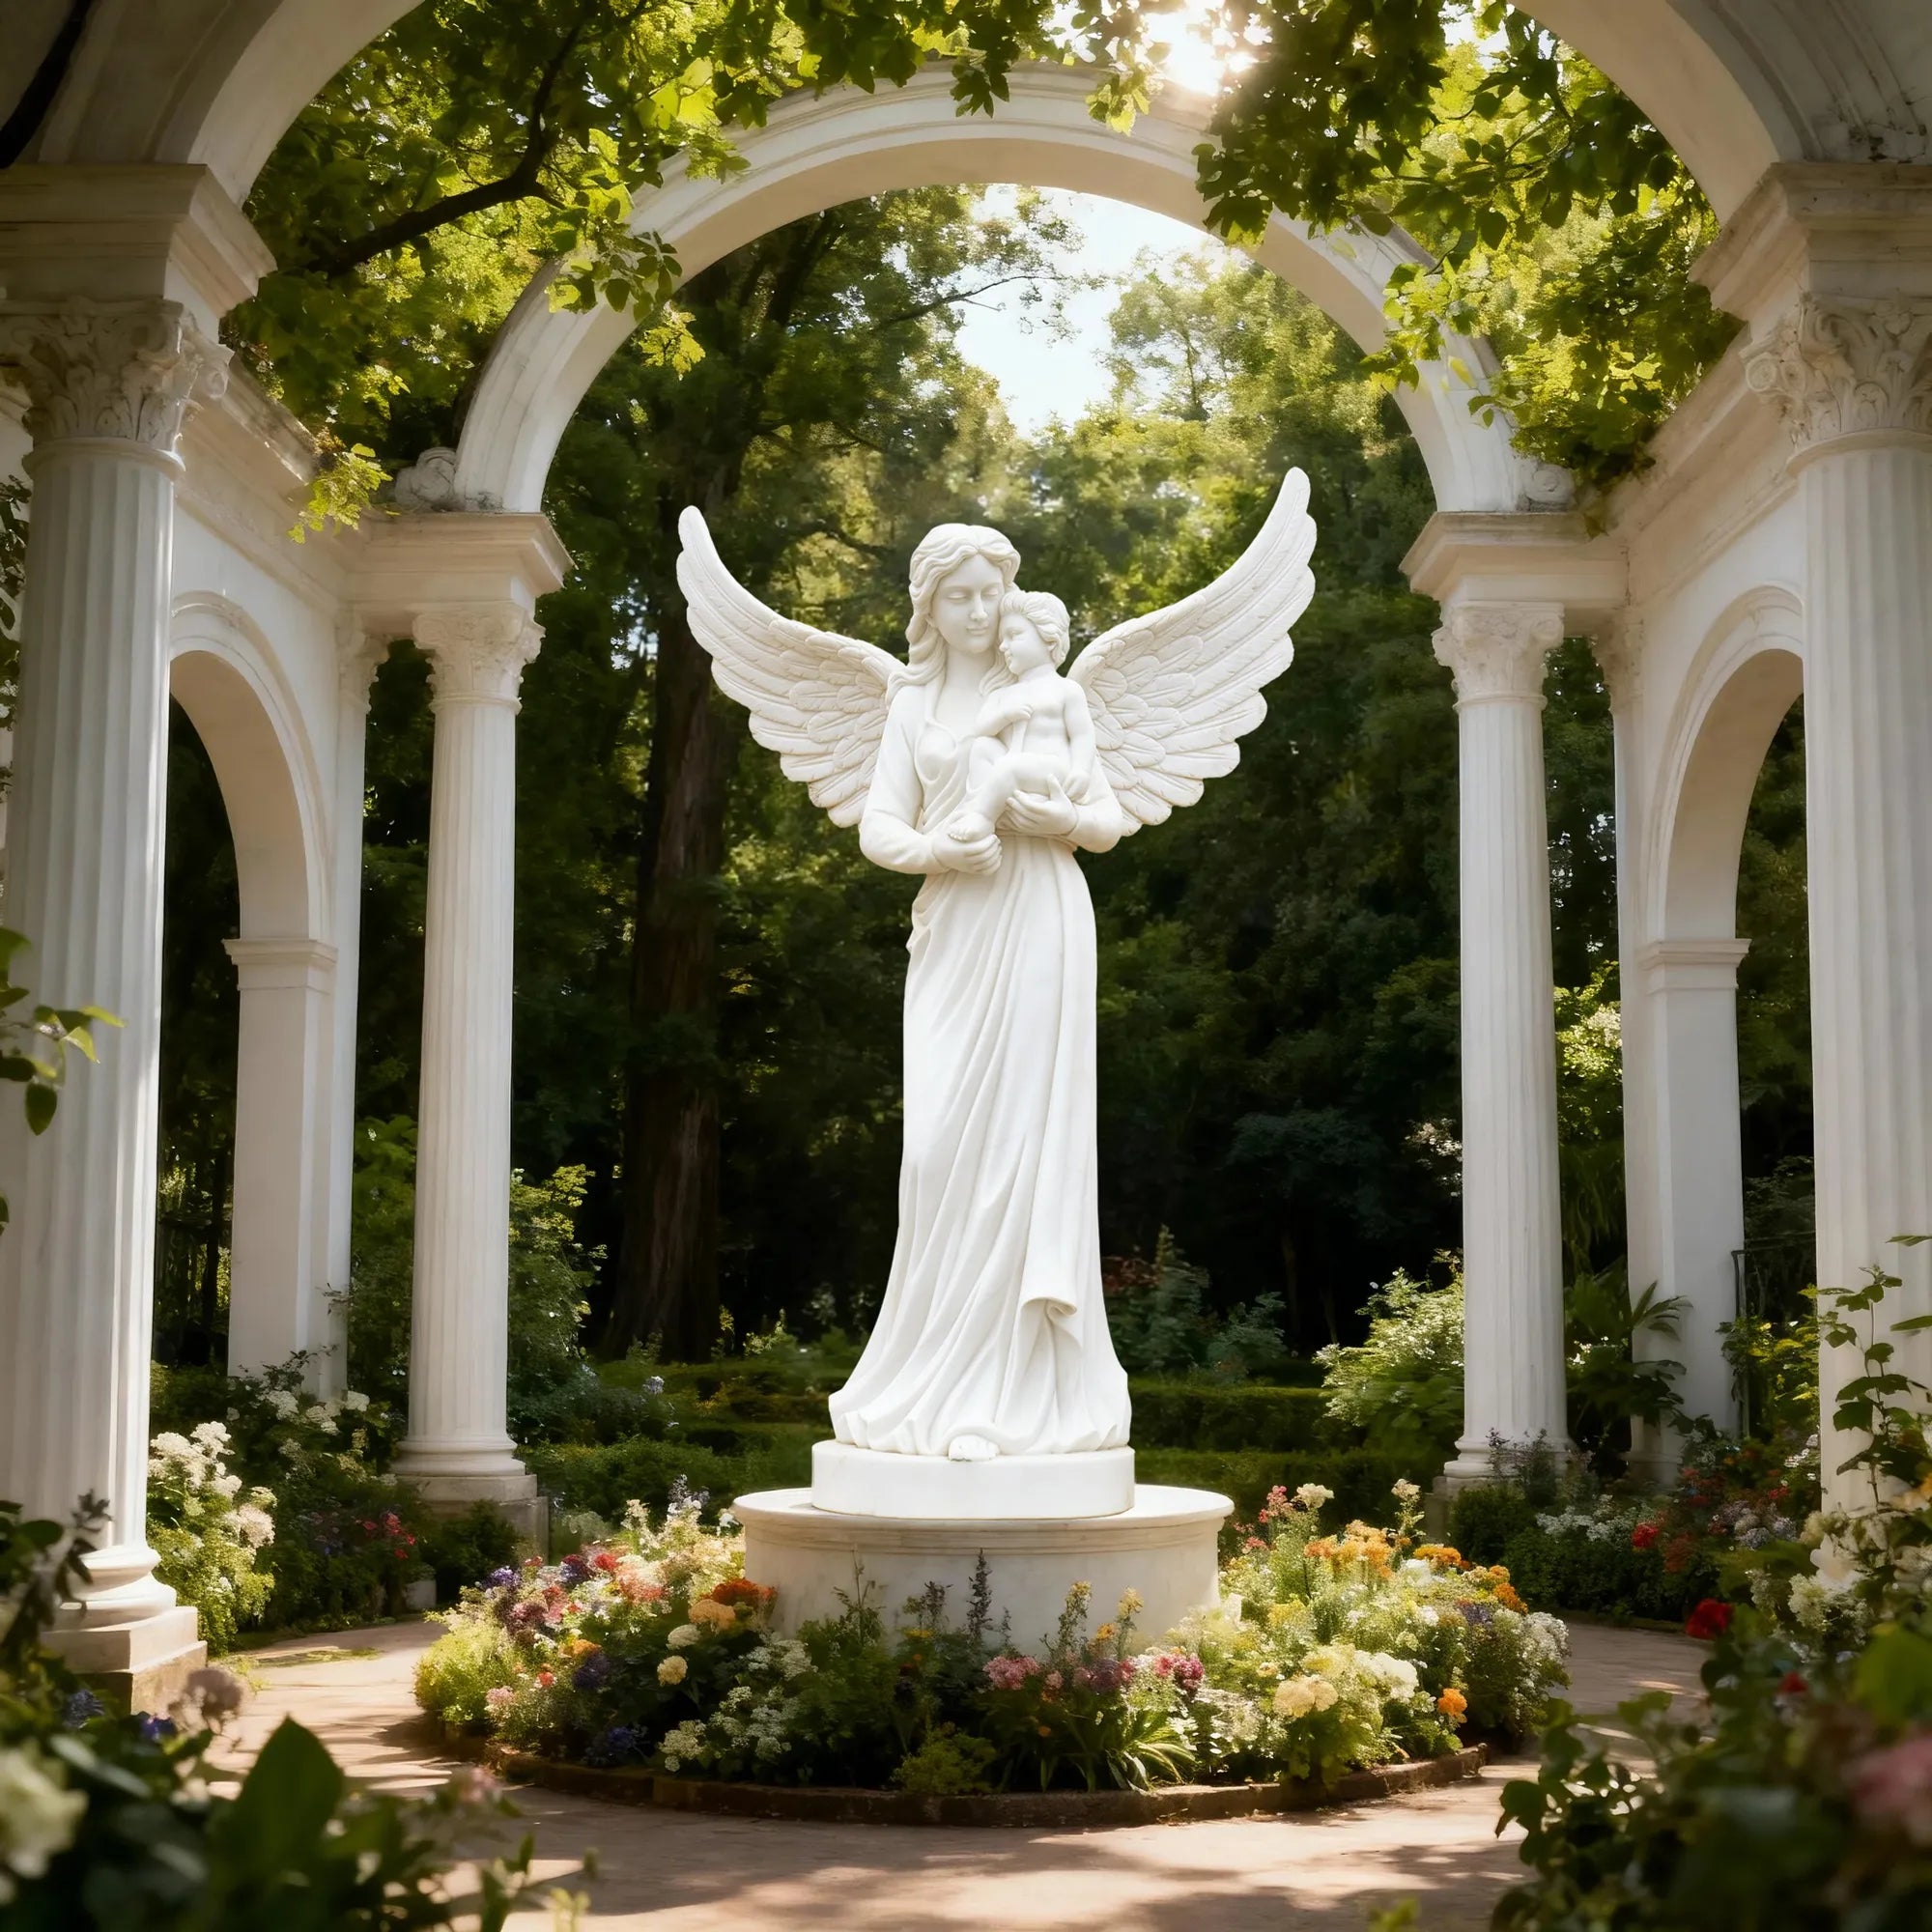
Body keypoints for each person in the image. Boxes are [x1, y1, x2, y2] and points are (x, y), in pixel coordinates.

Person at [834, 526, 1132, 1463]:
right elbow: (880, 823)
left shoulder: (1048, 690)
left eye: (988, 592)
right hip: (955, 921)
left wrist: (1059, 818)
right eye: (957, 594)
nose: (976, 608)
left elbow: (1106, 817)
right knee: (933, 1154)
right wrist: (932, 850)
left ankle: (1011, 1401)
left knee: (1021, 1146)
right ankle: (928, 1375)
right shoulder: (911, 700)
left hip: (1039, 908)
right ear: (929, 604)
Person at [943, 589, 1097, 850]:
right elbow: (981, 728)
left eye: (1014, 635)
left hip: (1052, 771)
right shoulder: (1003, 693)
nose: (1003, 646)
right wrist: (1004, 715)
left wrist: (1081, 771)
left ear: (1049, 639)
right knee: (982, 747)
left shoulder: (1066, 690)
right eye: (1002, 639)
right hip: (1012, 768)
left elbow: (1082, 734)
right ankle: (978, 804)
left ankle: (982, 817)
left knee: (1011, 767)